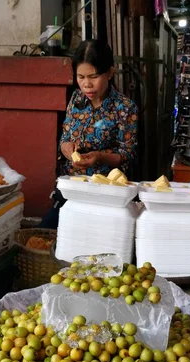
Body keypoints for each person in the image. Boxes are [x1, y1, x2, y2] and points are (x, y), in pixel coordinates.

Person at [40, 40, 138, 229]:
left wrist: (99, 157)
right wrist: (67, 149)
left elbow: (128, 155)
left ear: (110, 73)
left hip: (105, 193)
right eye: (81, 77)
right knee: (46, 231)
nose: (87, 84)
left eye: (93, 76)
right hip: (71, 188)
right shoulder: (76, 99)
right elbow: (65, 139)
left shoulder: (124, 108)